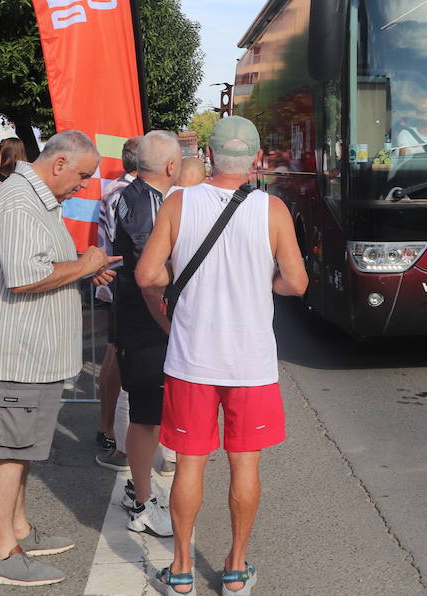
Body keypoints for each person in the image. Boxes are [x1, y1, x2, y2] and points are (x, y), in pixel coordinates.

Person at [135, 116, 308, 595]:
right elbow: (296, 283)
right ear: (257, 160)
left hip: (191, 357)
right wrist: (263, 282)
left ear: (208, 156)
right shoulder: (273, 210)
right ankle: (235, 569)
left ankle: (181, 570)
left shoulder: (179, 202)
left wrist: (179, 289)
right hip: (250, 361)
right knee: (244, 464)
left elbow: (147, 275)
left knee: (189, 463)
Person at [0, 130, 119, 587]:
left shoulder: (33, 199)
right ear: (60, 163)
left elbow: (40, 263)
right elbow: (26, 277)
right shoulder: (18, 202)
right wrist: (85, 265)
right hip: (15, 354)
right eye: (83, 175)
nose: (85, 186)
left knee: (20, 451)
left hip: (28, 353)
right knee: (9, 455)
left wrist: (84, 267)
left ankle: (18, 529)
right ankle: (2, 554)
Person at [111, 130, 181, 537]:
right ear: (171, 166)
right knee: (146, 415)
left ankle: (138, 488)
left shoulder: (140, 195)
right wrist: (168, 325)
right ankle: (142, 501)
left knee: (150, 412)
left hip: (140, 320)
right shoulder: (143, 202)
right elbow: (148, 276)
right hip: (145, 323)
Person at [95, 136, 140, 470]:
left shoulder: (117, 190)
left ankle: (109, 428)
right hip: (121, 283)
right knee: (116, 355)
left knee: (115, 352)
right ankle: (111, 430)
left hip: (116, 282)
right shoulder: (125, 194)